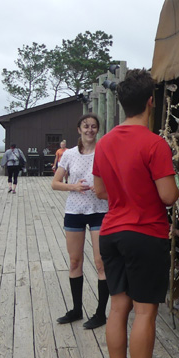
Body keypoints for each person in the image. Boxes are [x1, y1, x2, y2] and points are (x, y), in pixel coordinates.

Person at [92, 68, 179, 358]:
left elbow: (100, 191)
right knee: (145, 310)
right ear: (150, 101)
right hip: (144, 233)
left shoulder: (105, 143)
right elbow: (169, 195)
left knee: (118, 306)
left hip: (111, 232)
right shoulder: (154, 144)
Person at [52, 115, 110, 328]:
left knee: (100, 262)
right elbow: (55, 183)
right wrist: (73, 187)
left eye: (94, 126)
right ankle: (76, 309)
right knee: (75, 261)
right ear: (79, 129)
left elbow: (116, 180)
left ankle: (100, 313)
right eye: (86, 126)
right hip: (75, 210)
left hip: (99, 210)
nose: (90, 130)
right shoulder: (69, 154)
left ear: (97, 130)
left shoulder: (104, 152)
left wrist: (103, 188)